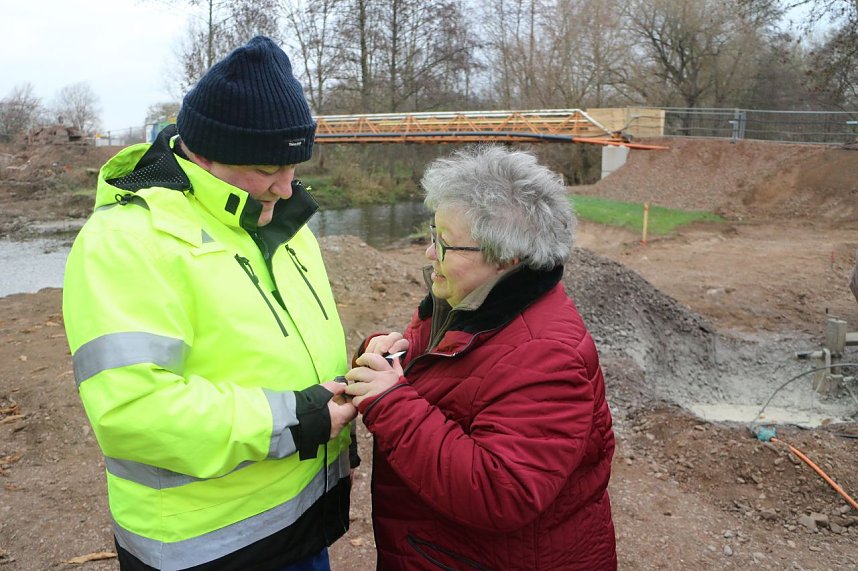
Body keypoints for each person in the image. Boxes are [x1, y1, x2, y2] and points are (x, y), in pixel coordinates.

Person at [62, 36, 357, 571]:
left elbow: (279, 354)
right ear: (203, 154)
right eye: (267, 169)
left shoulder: (285, 222)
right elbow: (134, 411)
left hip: (300, 525)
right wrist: (300, 418)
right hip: (207, 547)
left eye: (294, 166)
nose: (286, 187)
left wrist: (353, 374)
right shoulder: (128, 241)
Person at [345, 145, 617, 570]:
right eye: (432, 234)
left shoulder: (546, 356)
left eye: (446, 244)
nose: (429, 253)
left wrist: (391, 402)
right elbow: (445, 375)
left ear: (506, 256)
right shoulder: (467, 301)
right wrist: (389, 355)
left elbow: (502, 492)